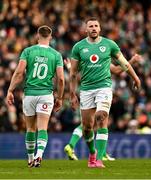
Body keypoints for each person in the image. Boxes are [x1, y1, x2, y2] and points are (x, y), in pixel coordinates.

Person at [69, 17, 141, 168]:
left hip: (104, 87)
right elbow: (73, 73)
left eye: (96, 26)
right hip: (86, 89)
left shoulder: (109, 44)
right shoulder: (78, 47)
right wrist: (72, 94)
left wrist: (135, 78)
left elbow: (123, 64)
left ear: (100, 28)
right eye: (91, 26)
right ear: (86, 29)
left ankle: (100, 159)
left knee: (101, 117)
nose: (94, 28)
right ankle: (93, 154)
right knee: (87, 127)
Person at [64, 54, 142, 161]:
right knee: (98, 123)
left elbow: (75, 72)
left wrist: (69, 66)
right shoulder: (102, 60)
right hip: (100, 93)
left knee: (89, 124)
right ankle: (101, 154)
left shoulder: (87, 59)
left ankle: (73, 146)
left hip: (86, 93)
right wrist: (132, 60)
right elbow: (117, 70)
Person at [6, 25, 64, 168]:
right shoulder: (56, 55)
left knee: (30, 128)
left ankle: (31, 159)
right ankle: (39, 155)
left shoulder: (28, 51)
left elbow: (19, 73)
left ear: (38, 36)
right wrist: (60, 98)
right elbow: (61, 79)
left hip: (30, 94)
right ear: (50, 37)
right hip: (45, 94)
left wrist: (10, 90)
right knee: (42, 128)